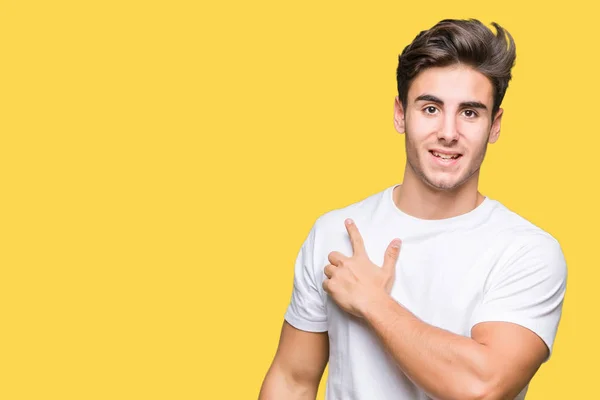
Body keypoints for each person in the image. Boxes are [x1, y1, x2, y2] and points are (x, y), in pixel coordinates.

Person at [258, 18, 567, 400]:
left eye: (470, 112)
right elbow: (292, 380)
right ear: (401, 114)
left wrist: (374, 303)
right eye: (431, 108)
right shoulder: (333, 233)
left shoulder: (527, 252)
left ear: (495, 124)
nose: (449, 132)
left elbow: (483, 386)